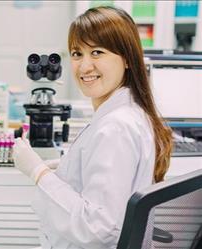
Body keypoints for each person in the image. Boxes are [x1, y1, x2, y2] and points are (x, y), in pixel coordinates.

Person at [13, 6, 173, 249]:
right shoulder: (127, 114)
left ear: (127, 59)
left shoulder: (116, 127)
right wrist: (70, 167)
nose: (84, 66)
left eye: (97, 52)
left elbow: (99, 228)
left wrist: (37, 172)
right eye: (77, 54)